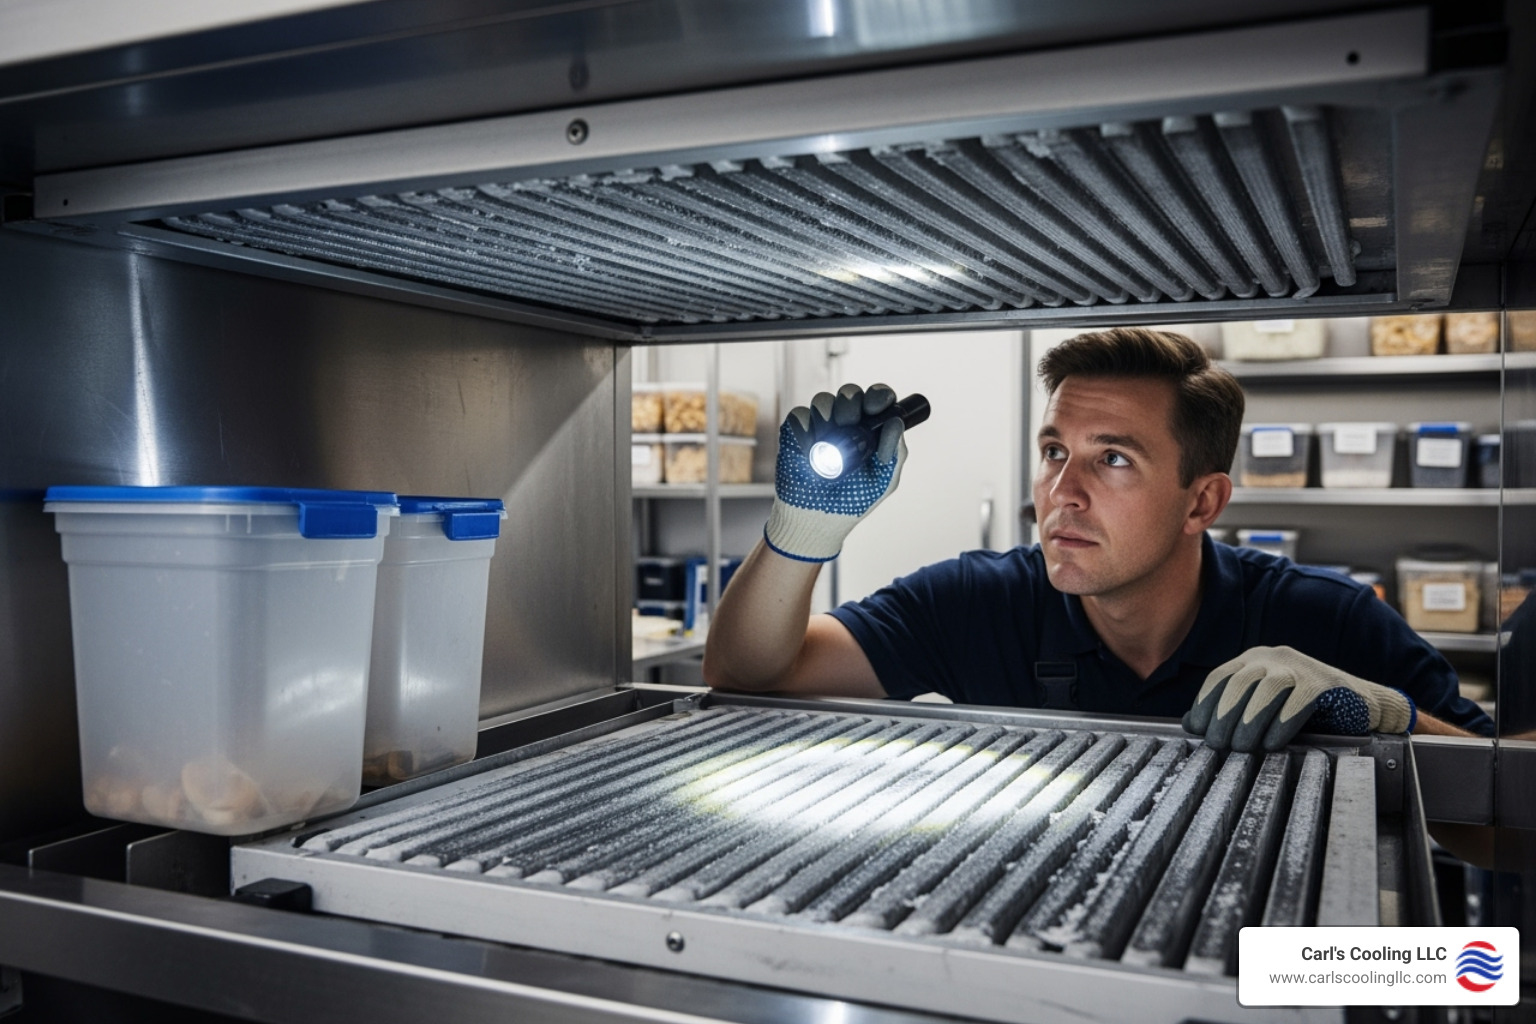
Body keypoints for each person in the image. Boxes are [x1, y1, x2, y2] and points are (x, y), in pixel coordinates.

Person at [702, 327, 1493, 750]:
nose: (1060, 493)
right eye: (1055, 453)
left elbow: (1503, 832)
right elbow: (748, 675)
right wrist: (803, 531)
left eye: (1112, 458)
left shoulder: (1330, 620)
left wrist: (1383, 716)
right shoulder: (981, 599)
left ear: (1202, 501)